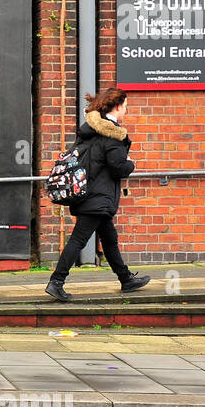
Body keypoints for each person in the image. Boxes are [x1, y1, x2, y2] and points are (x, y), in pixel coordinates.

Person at [45, 88, 150, 302]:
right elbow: (117, 166)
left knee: (109, 239)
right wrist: (132, 164)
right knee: (79, 239)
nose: (126, 111)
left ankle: (126, 279)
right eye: (126, 107)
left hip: (87, 192)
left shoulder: (89, 132)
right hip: (98, 196)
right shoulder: (112, 134)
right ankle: (56, 281)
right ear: (118, 106)